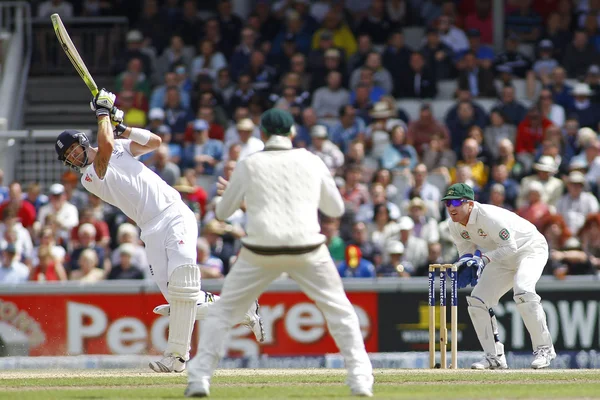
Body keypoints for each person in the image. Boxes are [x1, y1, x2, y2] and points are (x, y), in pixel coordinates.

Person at [53, 89, 263, 374]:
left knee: (183, 284)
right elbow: (103, 151)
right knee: (179, 300)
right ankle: (242, 307)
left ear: (81, 141)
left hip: (174, 214)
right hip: (149, 230)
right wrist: (103, 113)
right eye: (68, 157)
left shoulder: (117, 145)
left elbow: (155, 142)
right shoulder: (90, 177)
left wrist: (122, 127)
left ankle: (176, 357)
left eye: (74, 149)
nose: (74, 157)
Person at [185, 108, 373, 397]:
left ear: (262, 135)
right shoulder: (311, 160)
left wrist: (236, 192)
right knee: (340, 311)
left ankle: (198, 380)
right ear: (293, 133)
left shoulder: (249, 164)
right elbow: (335, 209)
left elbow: (222, 213)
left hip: (261, 249)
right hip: (307, 247)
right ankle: (361, 379)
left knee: (222, 313)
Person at [443, 183, 555, 370]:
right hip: (501, 257)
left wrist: (484, 259)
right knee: (477, 300)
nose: (452, 208)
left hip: (529, 249)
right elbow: (466, 251)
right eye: (447, 203)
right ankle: (494, 357)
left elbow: (511, 246)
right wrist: (464, 264)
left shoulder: (488, 217)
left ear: (469, 203)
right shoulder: (454, 225)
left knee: (523, 291)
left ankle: (545, 349)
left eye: (456, 202)